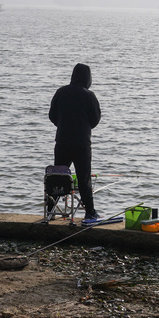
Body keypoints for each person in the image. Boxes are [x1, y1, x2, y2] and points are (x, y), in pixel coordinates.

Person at [49, 63, 102, 222]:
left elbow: (52, 115)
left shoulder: (61, 92)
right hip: (82, 144)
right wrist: (84, 127)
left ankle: (50, 210)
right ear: (88, 78)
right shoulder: (89, 96)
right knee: (84, 179)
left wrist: (62, 125)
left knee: (58, 176)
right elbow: (95, 119)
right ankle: (90, 212)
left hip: (63, 141)